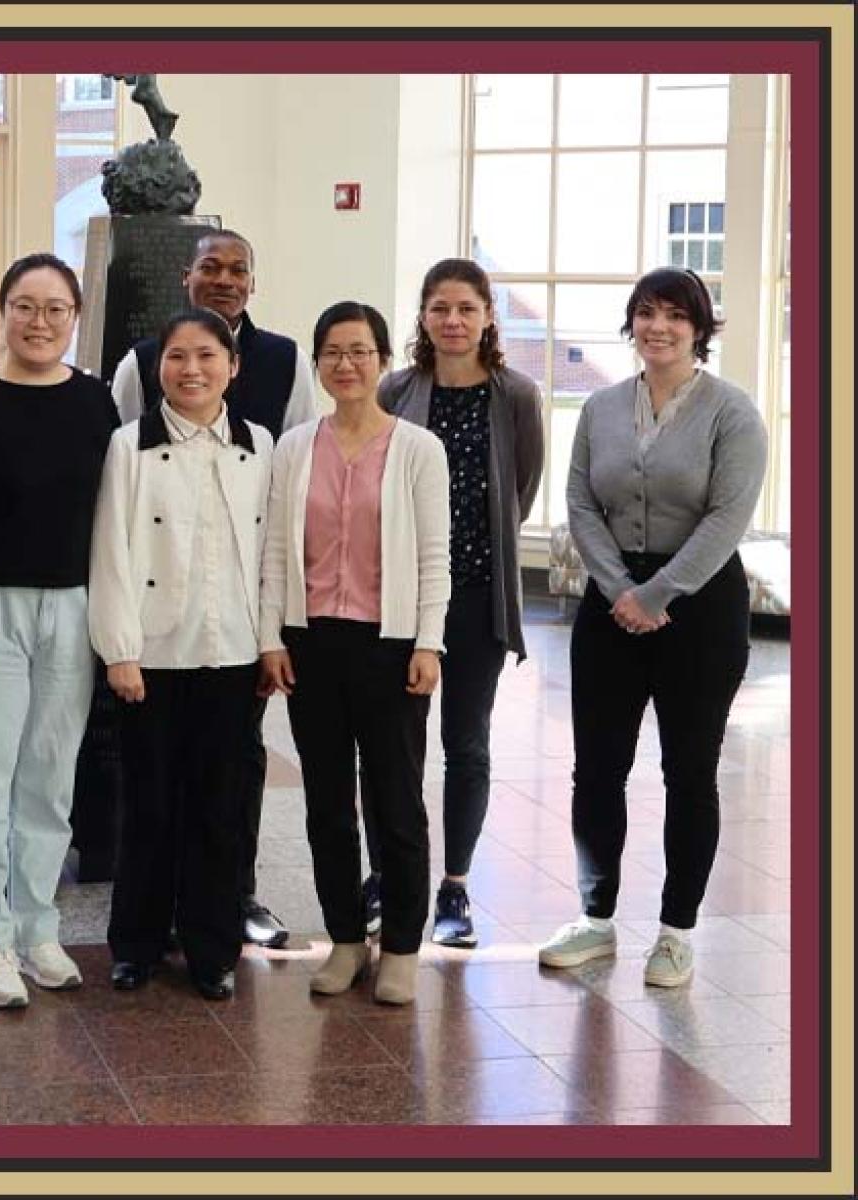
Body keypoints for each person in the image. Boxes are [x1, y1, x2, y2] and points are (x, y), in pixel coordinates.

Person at [536, 267, 767, 989]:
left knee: (688, 771)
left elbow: (727, 518)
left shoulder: (733, 413)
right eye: (645, 313)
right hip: (612, 605)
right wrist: (619, 588)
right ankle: (596, 919)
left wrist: (660, 591)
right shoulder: (602, 406)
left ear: (699, 327)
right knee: (596, 768)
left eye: (674, 315)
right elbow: (578, 500)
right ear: (630, 323)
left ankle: (676, 931)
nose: (657, 327)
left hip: (699, 608)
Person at [108, 229, 321, 949]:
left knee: (228, 787)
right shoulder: (137, 375)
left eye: (238, 269)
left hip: (233, 633)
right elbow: (117, 517)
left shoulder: (280, 377)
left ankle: (229, 912)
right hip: (155, 629)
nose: (225, 279)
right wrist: (120, 642)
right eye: (211, 267)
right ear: (187, 277)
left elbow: (286, 509)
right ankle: (145, 929)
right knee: (152, 789)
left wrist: (273, 635)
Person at [0, 254, 120, 1009]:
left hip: (70, 609)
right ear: (1, 311)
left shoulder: (97, 403)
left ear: (74, 317)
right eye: (24, 306)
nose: (40, 323)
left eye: (55, 309)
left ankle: (38, 927)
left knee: (49, 777)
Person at [259, 301, 450, 1007]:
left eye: (359, 351)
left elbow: (435, 555)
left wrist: (429, 639)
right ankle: (345, 938)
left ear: (383, 361)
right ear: (318, 364)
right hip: (313, 644)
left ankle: (401, 945)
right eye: (333, 352)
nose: (346, 363)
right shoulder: (294, 447)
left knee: (396, 800)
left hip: (392, 643)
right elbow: (277, 552)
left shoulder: (416, 449)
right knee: (326, 803)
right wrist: (271, 637)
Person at [89, 308, 273, 1002]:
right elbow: (110, 550)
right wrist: (119, 650)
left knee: (219, 808)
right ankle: (135, 943)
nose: (191, 370)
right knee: (149, 805)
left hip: (232, 652)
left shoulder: (259, 443)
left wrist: (271, 640)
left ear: (233, 366)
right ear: (155, 368)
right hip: (152, 655)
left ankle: (211, 947)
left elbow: (271, 555)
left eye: (206, 356)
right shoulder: (128, 445)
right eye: (176, 357)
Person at [362, 258, 545, 949]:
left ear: (489, 315)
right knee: (387, 748)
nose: (453, 321)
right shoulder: (397, 388)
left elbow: (518, 494)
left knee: (464, 745)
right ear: (423, 316)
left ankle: (455, 889)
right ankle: (387, 877)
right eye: (440, 308)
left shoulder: (517, 396)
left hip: (475, 599)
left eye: (467, 308)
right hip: (398, 600)